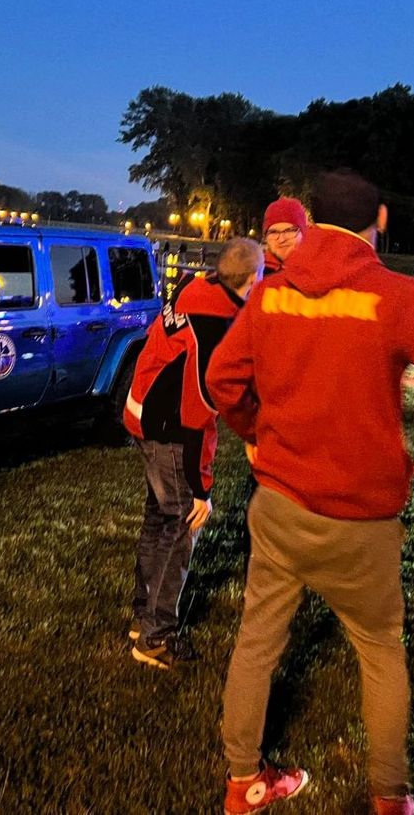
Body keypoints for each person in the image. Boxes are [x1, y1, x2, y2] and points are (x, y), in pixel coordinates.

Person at [207, 170, 414, 814]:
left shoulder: (272, 295)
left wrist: (254, 434)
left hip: (280, 504)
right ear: (382, 219)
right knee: (380, 651)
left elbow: (221, 378)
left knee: (256, 642)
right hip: (361, 519)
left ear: (312, 223)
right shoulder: (399, 295)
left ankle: (242, 783)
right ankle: (390, 798)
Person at [124, 238, 265, 670]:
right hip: (167, 427)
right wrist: (202, 489)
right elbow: (195, 415)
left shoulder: (194, 287)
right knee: (184, 522)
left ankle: (142, 614)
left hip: (140, 412)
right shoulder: (213, 327)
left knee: (159, 517)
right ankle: (156, 635)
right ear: (251, 280)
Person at [261, 197, 307, 276]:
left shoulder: (322, 272)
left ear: (303, 233)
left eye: (289, 231)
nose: (281, 239)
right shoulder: (254, 275)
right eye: (273, 232)